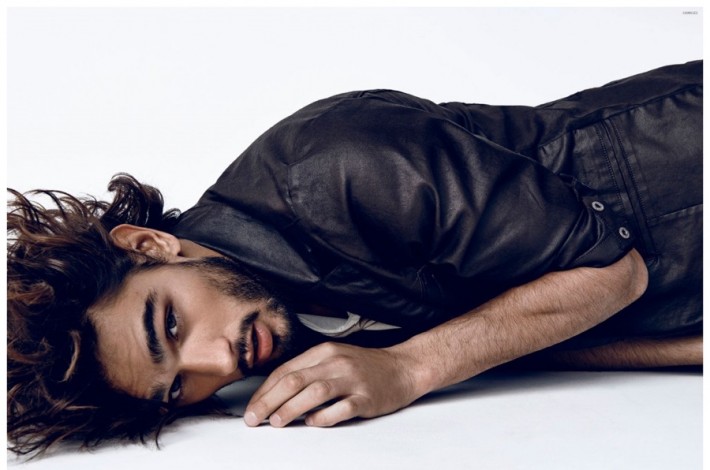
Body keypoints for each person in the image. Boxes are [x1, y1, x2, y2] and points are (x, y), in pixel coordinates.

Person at [7, 60, 702, 456]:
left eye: (169, 326)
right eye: (175, 388)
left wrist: (410, 367)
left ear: (148, 245)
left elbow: (612, 270)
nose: (218, 363)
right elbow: (520, 336)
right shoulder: (279, 334)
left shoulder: (338, 164)